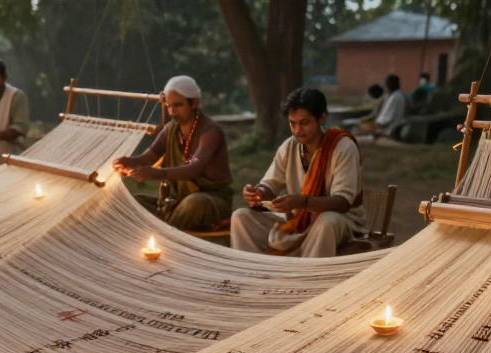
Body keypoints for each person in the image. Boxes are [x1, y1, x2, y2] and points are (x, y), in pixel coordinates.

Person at [231, 88, 366, 257]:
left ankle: (308, 273)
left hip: (342, 222)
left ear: (322, 118)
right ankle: (254, 270)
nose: (297, 130)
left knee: (327, 221)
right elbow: (269, 185)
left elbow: (342, 203)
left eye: (304, 123)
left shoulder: (343, 147)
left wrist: (302, 202)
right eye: (292, 123)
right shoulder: (289, 146)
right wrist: (258, 193)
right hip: (298, 220)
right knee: (241, 217)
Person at [112, 76, 234, 231]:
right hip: (177, 201)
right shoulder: (170, 130)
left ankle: (164, 235)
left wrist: (155, 173)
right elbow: (149, 156)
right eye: (169, 105)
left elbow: (193, 169)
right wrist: (129, 162)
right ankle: (163, 229)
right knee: (133, 202)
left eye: (178, 105)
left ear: (194, 103)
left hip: (211, 201)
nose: (171, 111)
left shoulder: (210, 132)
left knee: (193, 204)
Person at [357, 74, 406, 142]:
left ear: (388, 85)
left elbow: (385, 121)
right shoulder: (394, 95)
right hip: (385, 128)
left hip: (388, 130)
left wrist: (370, 127)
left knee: (358, 132)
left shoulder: (395, 97)